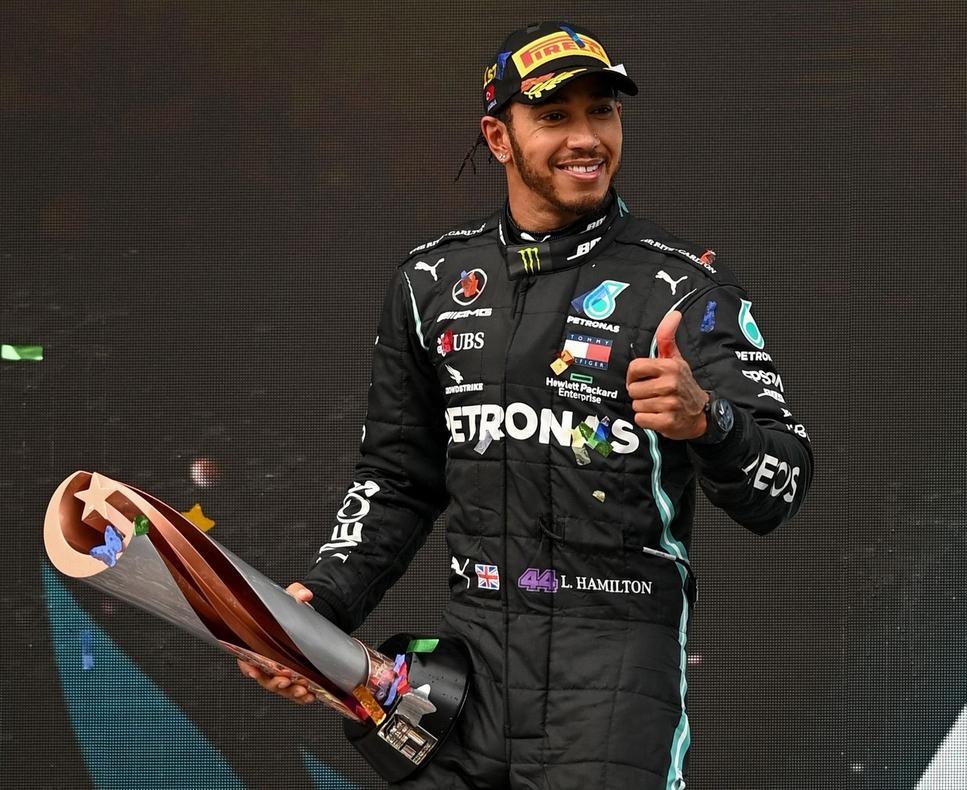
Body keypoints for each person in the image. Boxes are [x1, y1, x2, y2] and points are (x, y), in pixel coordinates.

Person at [239, 20, 813, 789]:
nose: (587, 138)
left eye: (601, 112)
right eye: (554, 116)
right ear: (498, 137)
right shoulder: (432, 284)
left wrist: (710, 419)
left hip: (615, 687)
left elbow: (784, 482)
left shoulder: (683, 288)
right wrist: (319, 605)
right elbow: (398, 480)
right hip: (465, 686)